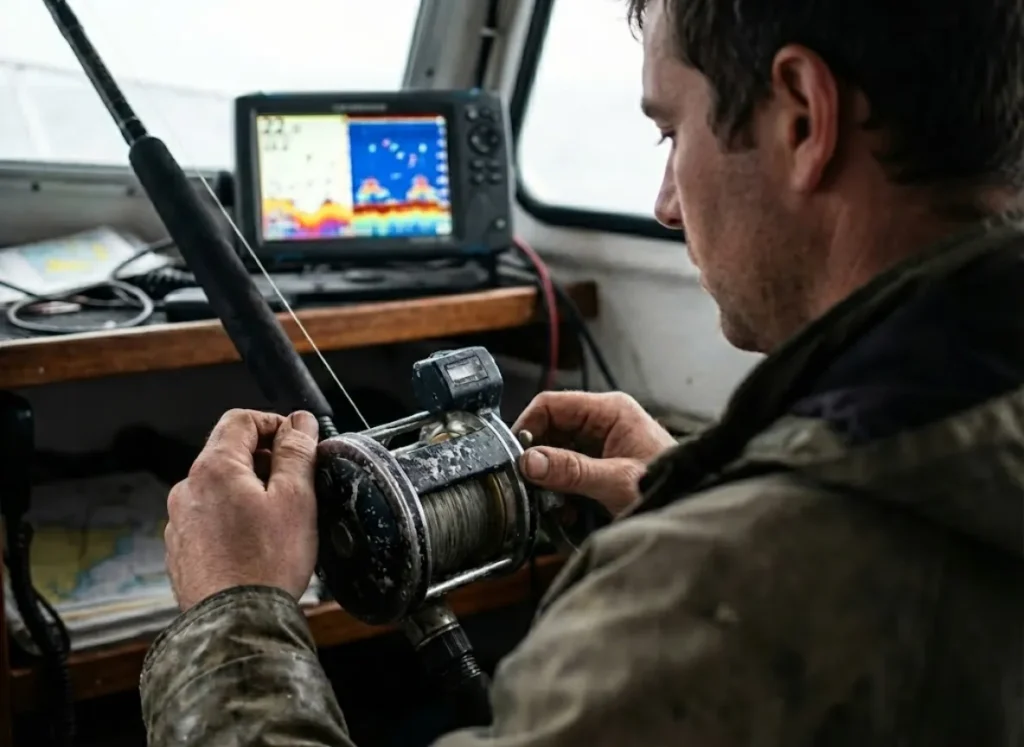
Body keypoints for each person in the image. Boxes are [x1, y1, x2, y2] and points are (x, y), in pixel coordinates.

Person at [142, 0, 1024, 744]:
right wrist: (691, 494)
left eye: (671, 133)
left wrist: (234, 612)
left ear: (802, 116)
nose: (665, 204)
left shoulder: (715, 589)